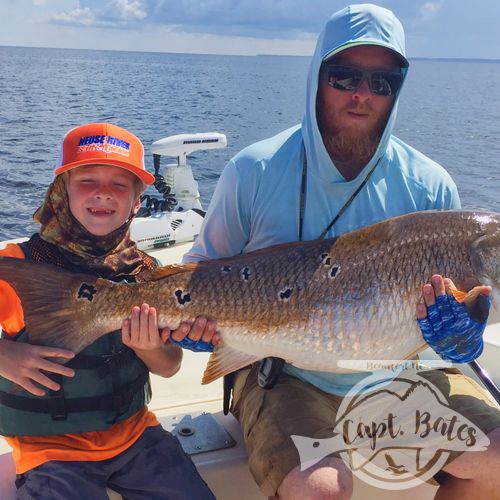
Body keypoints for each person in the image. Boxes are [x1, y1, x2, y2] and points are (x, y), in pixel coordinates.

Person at [184, 4, 500, 499]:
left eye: (382, 82)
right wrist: (195, 327)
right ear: (316, 76)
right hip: (283, 373)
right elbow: (198, 274)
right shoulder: (255, 170)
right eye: (344, 75)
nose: (361, 95)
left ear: (397, 89)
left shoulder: (431, 184)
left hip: (397, 373)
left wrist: (459, 340)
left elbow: (438, 336)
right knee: (321, 488)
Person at [0, 122, 217, 499]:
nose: (103, 193)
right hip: (49, 449)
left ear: (136, 201)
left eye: (120, 184)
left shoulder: (149, 274)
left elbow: (169, 366)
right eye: (87, 180)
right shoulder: (19, 265)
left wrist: (148, 346)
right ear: (61, 191)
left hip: (135, 436)